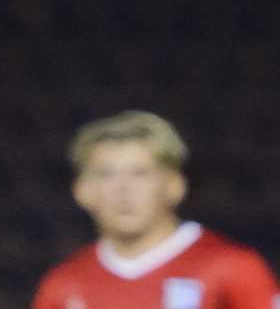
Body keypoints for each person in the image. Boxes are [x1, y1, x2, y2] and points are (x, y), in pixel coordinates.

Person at [32, 110, 278, 309]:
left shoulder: (233, 268)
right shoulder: (64, 284)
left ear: (174, 186)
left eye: (140, 173)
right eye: (105, 175)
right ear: (82, 190)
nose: (123, 189)